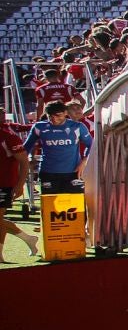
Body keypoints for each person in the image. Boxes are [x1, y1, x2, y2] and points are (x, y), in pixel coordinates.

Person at [25, 101, 90, 194]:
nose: (54, 119)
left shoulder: (77, 126)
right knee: (51, 206)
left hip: (73, 172)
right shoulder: (39, 127)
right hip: (48, 173)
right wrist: (25, 160)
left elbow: (91, 145)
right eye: (50, 117)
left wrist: (84, 162)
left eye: (58, 116)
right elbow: (26, 147)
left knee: (74, 206)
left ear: (65, 113)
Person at [0, 120, 35, 260]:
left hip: (5, 184)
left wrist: (20, 184)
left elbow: (24, 161)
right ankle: (28, 239)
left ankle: (28, 239)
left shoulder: (8, 136)